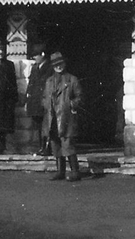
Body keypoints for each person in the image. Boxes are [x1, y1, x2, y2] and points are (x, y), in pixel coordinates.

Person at [41, 50, 82, 183]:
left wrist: (71, 104)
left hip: (66, 117)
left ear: (64, 63)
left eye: (61, 64)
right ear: (52, 66)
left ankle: (75, 172)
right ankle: (60, 171)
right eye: (56, 65)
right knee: (55, 144)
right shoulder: (49, 81)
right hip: (52, 117)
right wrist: (46, 105)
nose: (59, 67)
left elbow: (79, 97)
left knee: (67, 144)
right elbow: (44, 97)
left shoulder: (72, 79)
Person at [24, 47, 52, 155]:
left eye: (36, 55)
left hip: (45, 100)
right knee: (39, 125)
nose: (34, 58)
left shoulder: (49, 68)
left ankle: (47, 147)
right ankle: (41, 146)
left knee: (46, 125)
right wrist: (28, 99)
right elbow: (31, 84)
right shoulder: (35, 68)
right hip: (35, 101)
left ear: (43, 54)